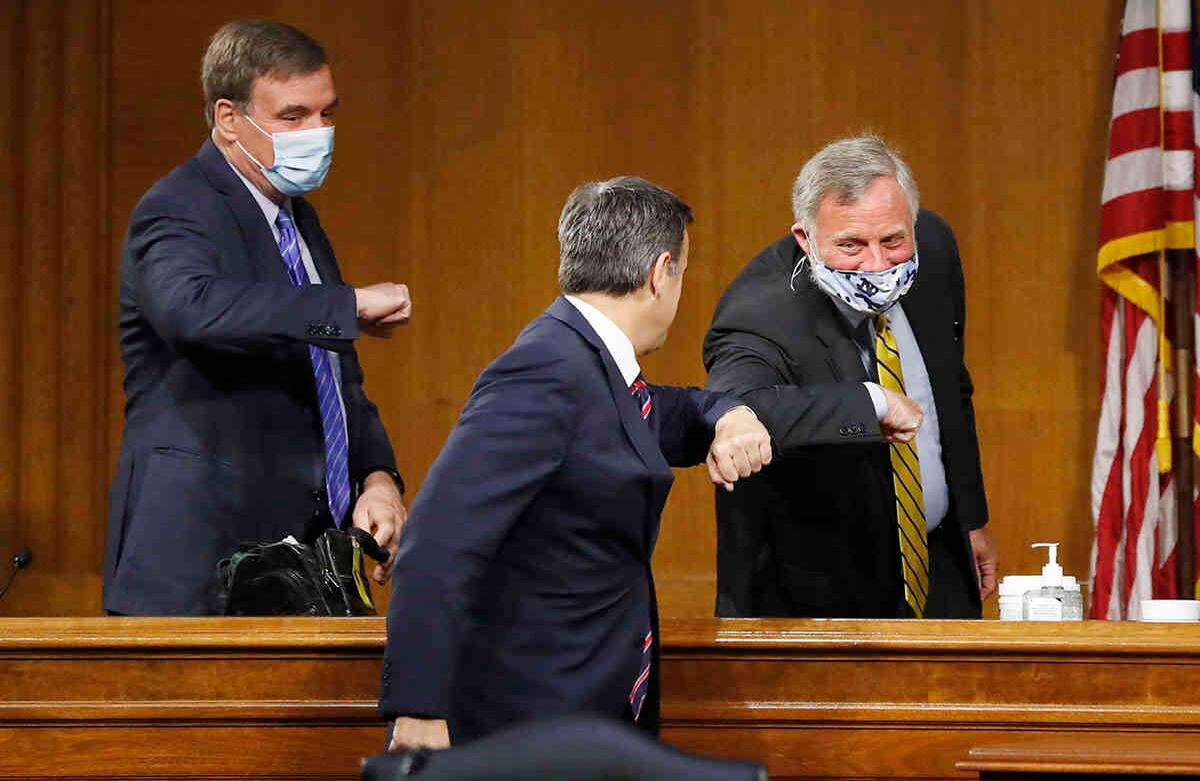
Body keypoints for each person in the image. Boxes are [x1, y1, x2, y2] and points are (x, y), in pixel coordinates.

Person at [379, 177, 773, 749]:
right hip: (526, 725)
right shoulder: (545, 370)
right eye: (683, 273)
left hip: (582, 719)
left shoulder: (591, 364)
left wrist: (728, 413)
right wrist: (417, 711)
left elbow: (666, 411)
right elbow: (436, 543)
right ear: (661, 272)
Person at [103, 20, 411, 616]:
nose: (317, 134)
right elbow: (190, 311)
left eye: (326, 114)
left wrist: (378, 476)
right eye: (293, 117)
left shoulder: (298, 220)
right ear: (227, 118)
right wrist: (346, 305)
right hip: (199, 571)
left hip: (300, 567)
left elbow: (326, 361)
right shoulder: (176, 208)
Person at [704, 134, 996, 619]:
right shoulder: (760, 312)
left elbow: (950, 388)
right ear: (806, 239)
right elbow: (738, 404)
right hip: (818, 602)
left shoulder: (935, 250)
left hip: (940, 562)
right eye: (851, 246)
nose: (877, 265)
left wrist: (970, 516)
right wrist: (871, 403)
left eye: (893, 241)